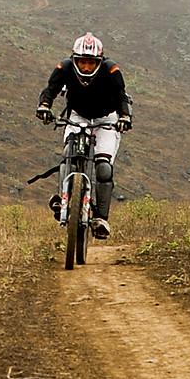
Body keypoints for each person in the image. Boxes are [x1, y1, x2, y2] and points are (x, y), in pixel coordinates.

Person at [37, 34, 132, 239]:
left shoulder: (111, 70)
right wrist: (44, 106)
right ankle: (64, 199)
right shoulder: (64, 68)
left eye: (91, 62)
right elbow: (50, 90)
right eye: (82, 62)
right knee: (67, 156)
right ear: (74, 59)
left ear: (99, 61)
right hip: (77, 117)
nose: (86, 67)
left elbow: (122, 96)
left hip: (106, 119)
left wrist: (125, 117)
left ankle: (101, 219)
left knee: (103, 167)